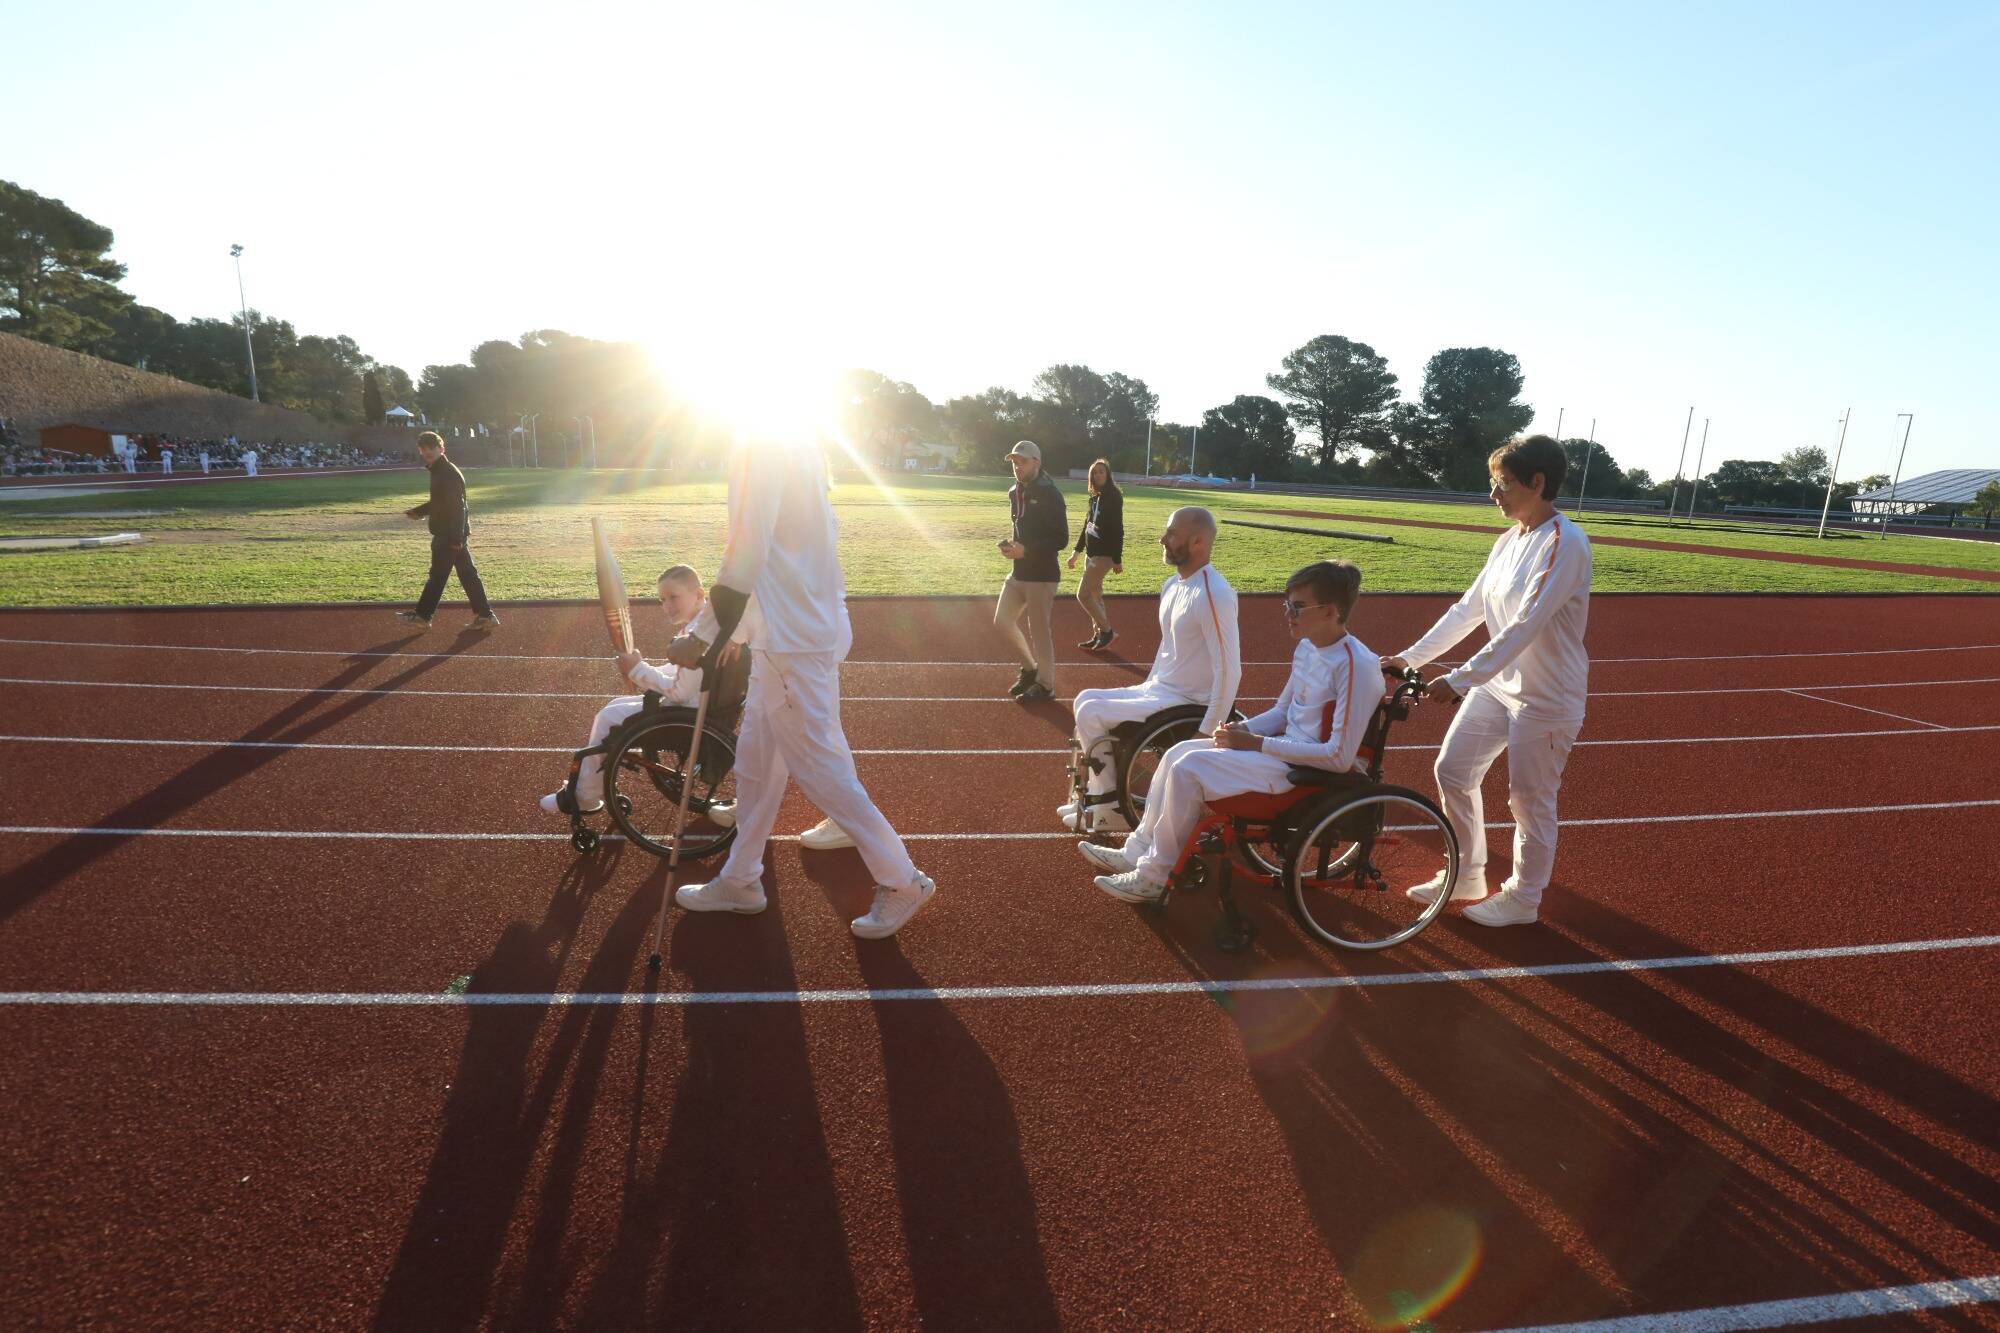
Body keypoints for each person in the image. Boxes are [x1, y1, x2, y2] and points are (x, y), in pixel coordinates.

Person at [663, 433, 937, 940]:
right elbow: (780, 559)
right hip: (789, 639)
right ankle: (741, 879)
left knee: (821, 772)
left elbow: (748, 553)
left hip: (793, 644)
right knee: (757, 767)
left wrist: (701, 633)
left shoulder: (762, 446)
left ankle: (902, 880)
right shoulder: (800, 450)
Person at [1081, 560, 1384, 904]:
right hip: (1283, 754)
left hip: (1307, 772)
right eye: (1287, 604)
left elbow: (1339, 757)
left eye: (1298, 606)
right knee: (1179, 752)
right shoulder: (1308, 647)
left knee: (1187, 770)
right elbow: (1284, 711)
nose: (1288, 613)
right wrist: (1241, 730)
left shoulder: (1356, 664)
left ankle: (1155, 875)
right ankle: (1138, 851)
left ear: (1330, 611)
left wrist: (1255, 743)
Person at [1382, 434, 1593, 928]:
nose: (1493, 495)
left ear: (1537, 483)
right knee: (1453, 770)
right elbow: (1469, 609)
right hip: (1500, 686)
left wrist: (1458, 678)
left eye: (1502, 484)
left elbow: (1527, 623)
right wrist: (1410, 658)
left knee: (1528, 800)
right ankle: (1466, 873)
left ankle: (1523, 898)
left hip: (1545, 697)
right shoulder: (1509, 539)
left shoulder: (1565, 542)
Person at [1059, 505, 1240, 834]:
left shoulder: (1214, 594)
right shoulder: (1174, 585)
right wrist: (1146, 687)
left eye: (1172, 534)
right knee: (1084, 699)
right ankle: (1095, 797)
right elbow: (1168, 647)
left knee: (1093, 712)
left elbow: (1230, 669)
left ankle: (1109, 804)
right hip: (1161, 689)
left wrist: (1206, 731)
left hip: (1188, 700)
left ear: (1198, 542)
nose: (1162, 539)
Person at [539, 565, 750, 817]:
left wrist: (638, 670)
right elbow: (681, 673)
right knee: (614, 706)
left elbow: (680, 691)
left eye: (674, 597)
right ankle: (589, 788)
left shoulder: (698, 634)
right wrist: (639, 669)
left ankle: (584, 796)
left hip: (689, 715)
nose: (667, 606)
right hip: (703, 708)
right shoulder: (708, 626)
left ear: (699, 594)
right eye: (662, 600)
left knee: (607, 718)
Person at [395, 430, 500, 631]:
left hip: (448, 535)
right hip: (451, 534)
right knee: (468, 576)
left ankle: (423, 616)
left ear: (441, 448)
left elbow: (458, 507)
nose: (427, 452)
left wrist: (456, 538)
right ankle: (485, 616)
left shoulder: (446, 473)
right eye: (423, 448)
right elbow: (440, 502)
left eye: (431, 448)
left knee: (437, 576)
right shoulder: (440, 471)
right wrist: (419, 512)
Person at [993, 440, 1068, 702]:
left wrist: (1026, 550)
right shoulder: (1015, 491)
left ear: (1037, 462)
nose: (1017, 466)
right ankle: (1029, 669)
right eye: (1014, 462)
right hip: (1019, 572)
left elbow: (1061, 539)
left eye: (1022, 461)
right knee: (1002, 621)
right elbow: (1023, 530)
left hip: (1043, 576)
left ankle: (1046, 685)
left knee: (1039, 632)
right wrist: (1013, 547)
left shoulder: (1051, 494)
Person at [1066, 457, 1124, 650]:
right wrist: (1076, 552)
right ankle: (1098, 634)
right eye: (1095, 472)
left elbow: (1118, 529)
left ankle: (1107, 631)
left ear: (1107, 474)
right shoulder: (1094, 498)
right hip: (1091, 554)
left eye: (1101, 471)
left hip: (1105, 555)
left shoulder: (1114, 496)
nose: (1098, 475)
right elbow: (1086, 527)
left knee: (1082, 595)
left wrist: (1117, 559)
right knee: (1095, 595)